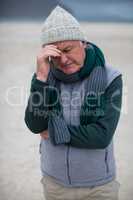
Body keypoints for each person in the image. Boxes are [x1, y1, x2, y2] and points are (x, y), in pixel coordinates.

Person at [24, 6, 122, 200]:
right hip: (55, 183)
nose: (64, 60)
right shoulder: (44, 78)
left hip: (99, 186)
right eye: (56, 55)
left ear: (83, 43)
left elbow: (101, 135)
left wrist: (53, 132)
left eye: (68, 50)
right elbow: (35, 125)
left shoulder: (111, 78)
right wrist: (41, 78)